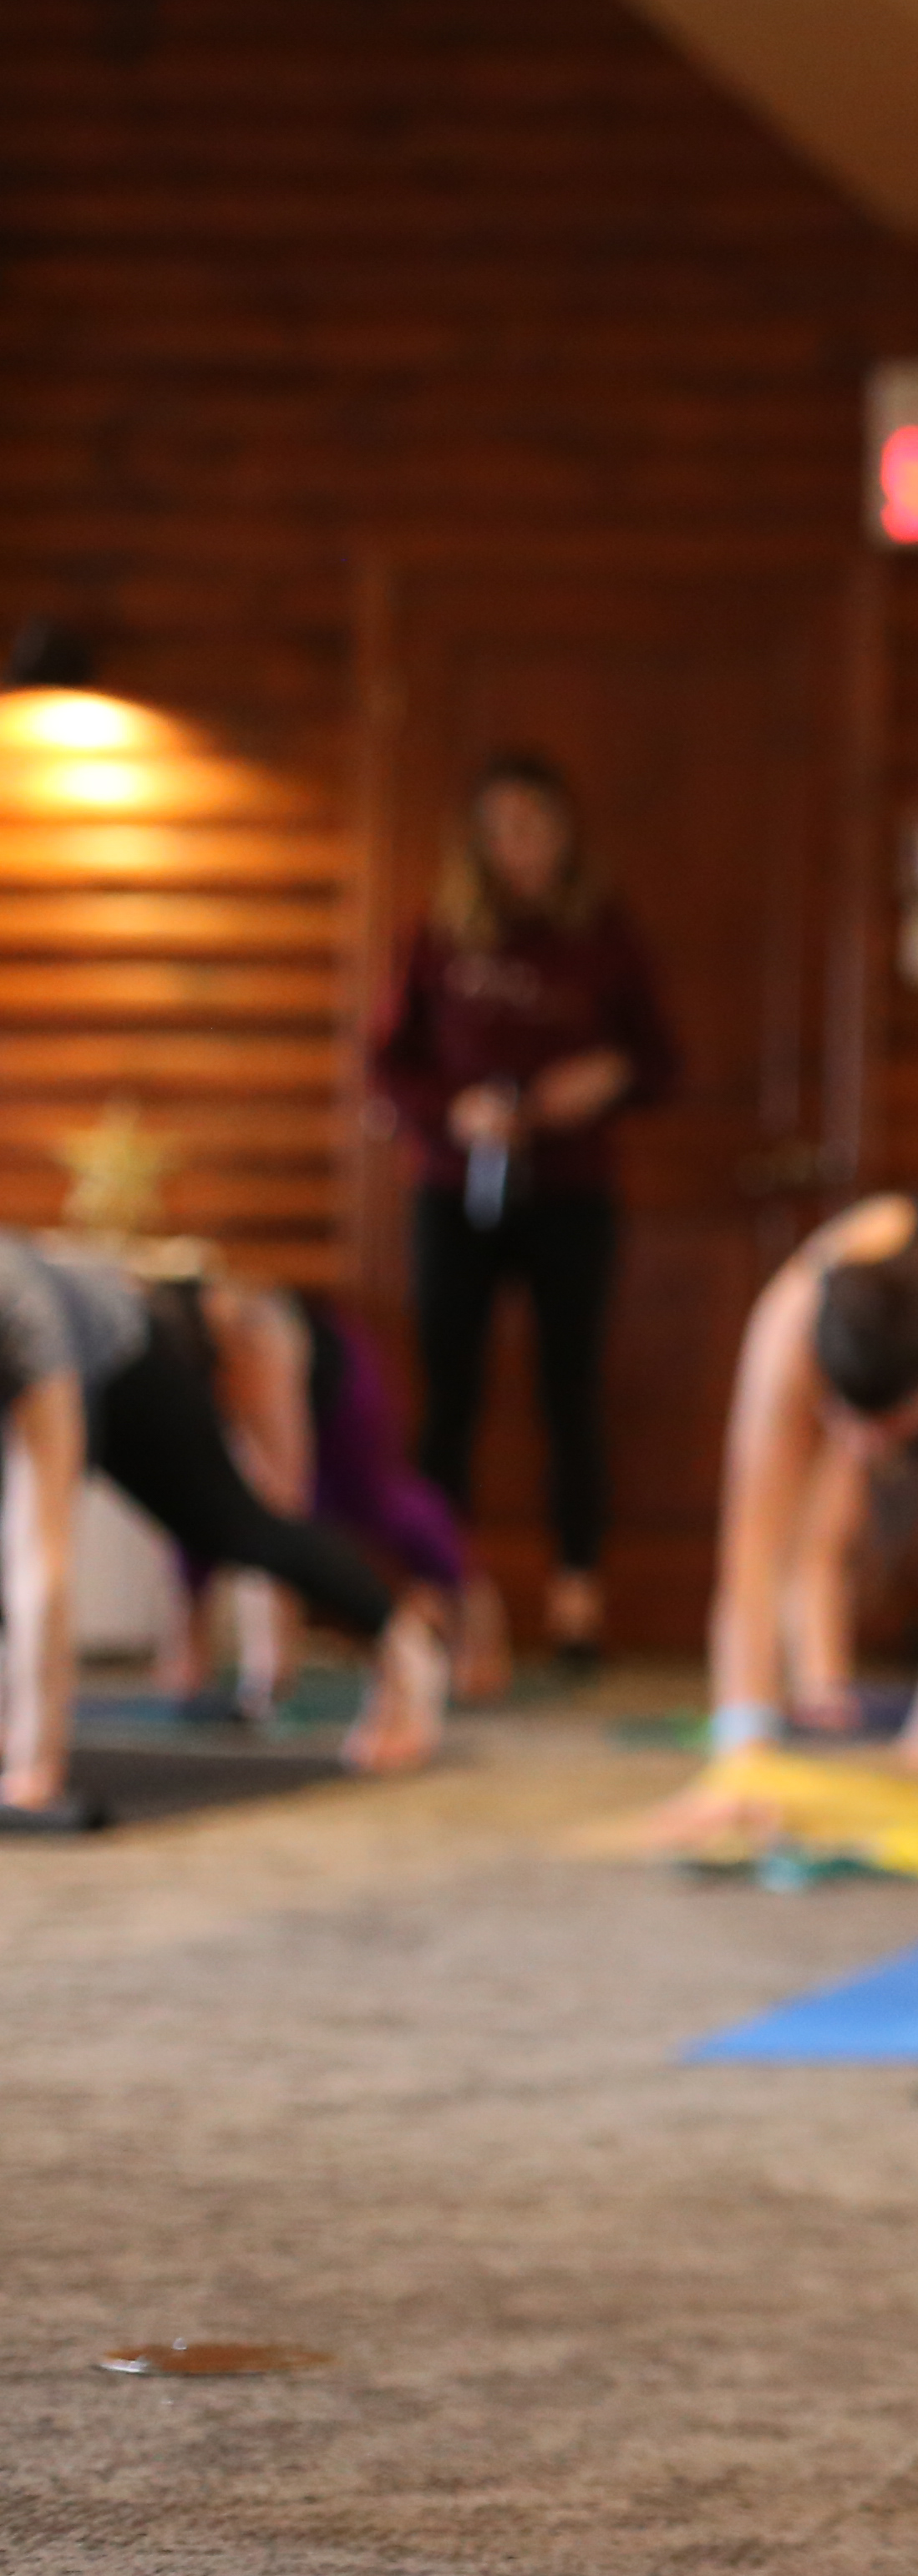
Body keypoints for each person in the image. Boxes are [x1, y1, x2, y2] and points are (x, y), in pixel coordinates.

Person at [368, 747, 677, 1674]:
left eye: (537, 827)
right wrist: (454, 1112)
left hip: (570, 1191)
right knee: (449, 1394)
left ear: (565, 834)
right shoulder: (437, 933)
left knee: (570, 1391)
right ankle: (440, 1598)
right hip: (453, 1189)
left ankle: (577, 1600)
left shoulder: (605, 936)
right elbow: (387, 1066)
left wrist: (602, 1078)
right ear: (477, 839)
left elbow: (658, 1060)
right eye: (502, 828)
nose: (520, 846)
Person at [0, 1236, 452, 1831]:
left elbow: (42, 1554)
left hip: (131, 1360)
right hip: (57, 1341)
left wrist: (35, 1769)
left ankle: (406, 1648)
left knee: (232, 1526)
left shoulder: (21, 1315)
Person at [697, 1197, 918, 1774]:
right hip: (863, 1339)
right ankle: (823, 1686)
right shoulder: (789, 1327)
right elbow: (751, 1553)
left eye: (886, 1428)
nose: (868, 1448)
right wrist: (743, 1751)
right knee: (827, 1509)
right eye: (850, 1424)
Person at [161, 1281, 470, 1721]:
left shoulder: (259, 1336)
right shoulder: (173, 1359)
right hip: (233, 1350)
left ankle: (458, 1621)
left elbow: (280, 1507)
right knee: (198, 1507)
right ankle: (191, 1658)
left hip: (341, 1388)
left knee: (367, 1506)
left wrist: (268, 1672)